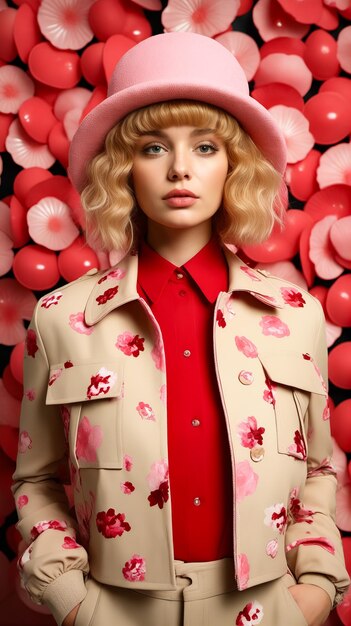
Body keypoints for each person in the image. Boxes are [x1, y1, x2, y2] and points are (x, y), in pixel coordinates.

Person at [12, 32, 349, 626]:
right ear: (123, 170)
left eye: (206, 146)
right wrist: (73, 605)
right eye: (152, 149)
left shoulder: (295, 316)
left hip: (267, 609)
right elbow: (36, 480)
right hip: (114, 611)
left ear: (234, 165)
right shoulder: (61, 318)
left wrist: (316, 590)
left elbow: (320, 469)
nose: (180, 170)